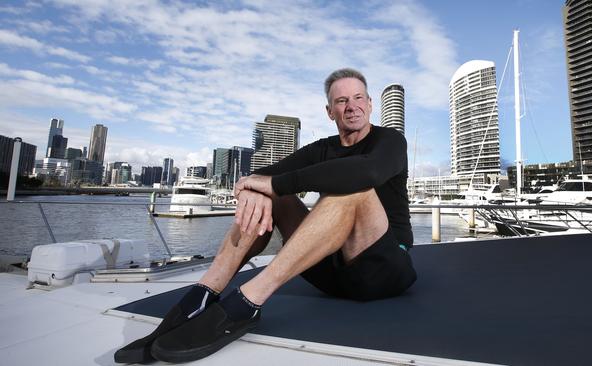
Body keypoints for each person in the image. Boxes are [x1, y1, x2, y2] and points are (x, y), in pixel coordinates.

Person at [114, 68, 417, 364]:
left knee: (355, 190)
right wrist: (255, 190)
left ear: (370, 104)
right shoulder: (322, 148)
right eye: (342, 101)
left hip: (383, 271)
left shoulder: (389, 142)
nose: (352, 107)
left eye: (359, 98)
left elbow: (369, 171)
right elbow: (260, 176)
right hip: (332, 275)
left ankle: (247, 303)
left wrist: (272, 184)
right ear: (330, 112)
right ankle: (204, 294)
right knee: (270, 196)